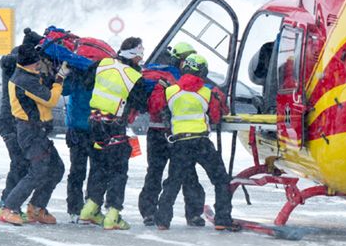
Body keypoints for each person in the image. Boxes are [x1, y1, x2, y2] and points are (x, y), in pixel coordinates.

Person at [154, 53, 238, 231]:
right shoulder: (208, 92)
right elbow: (215, 117)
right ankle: (223, 219)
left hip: (179, 144)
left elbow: (160, 111)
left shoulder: (169, 91)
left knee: (173, 182)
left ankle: (162, 220)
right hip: (201, 142)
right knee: (220, 179)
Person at [79, 37, 150, 230]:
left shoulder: (102, 63)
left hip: (94, 123)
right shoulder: (134, 76)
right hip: (114, 126)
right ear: (135, 56)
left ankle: (90, 208)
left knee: (99, 166)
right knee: (119, 171)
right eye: (140, 55)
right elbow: (142, 104)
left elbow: (86, 83)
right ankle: (113, 214)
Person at [138, 42, 207, 227]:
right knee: (183, 174)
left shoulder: (167, 79)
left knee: (161, 173)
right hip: (173, 135)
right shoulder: (173, 81)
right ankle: (191, 214)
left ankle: (151, 212)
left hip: (167, 134)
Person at [0, 43, 67, 226]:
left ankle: (36, 207)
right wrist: (60, 79)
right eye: (36, 62)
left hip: (38, 132)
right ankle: (9, 208)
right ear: (28, 63)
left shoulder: (30, 75)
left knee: (56, 168)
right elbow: (51, 99)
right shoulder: (24, 80)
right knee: (37, 171)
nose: (39, 64)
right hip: (30, 132)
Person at [0, 28, 43, 221]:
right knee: (20, 164)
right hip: (10, 122)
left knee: (21, 164)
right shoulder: (16, 62)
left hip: (14, 122)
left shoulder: (18, 60)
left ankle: (8, 204)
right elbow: (7, 62)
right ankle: (5, 205)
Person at [62, 70, 95, 223]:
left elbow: (64, 90)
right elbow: (64, 89)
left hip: (81, 128)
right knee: (88, 171)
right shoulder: (78, 75)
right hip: (90, 129)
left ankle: (78, 208)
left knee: (79, 171)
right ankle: (87, 208)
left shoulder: (76, 74)